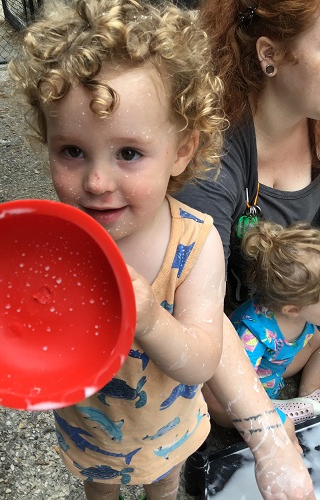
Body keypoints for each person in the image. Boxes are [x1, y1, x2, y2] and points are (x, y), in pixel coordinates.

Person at [9, 1, 315, 498]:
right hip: (90, 430)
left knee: (164, 487)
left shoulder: (195, 244)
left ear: (182, 150)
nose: (97, 180)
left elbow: (200, 360)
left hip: (169, 432)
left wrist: (149, 317)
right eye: (71, 151)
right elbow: (25, 335)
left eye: (129, 153)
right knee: (100, 489)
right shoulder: (54, 242)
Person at [175, 0, 320, 425]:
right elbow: (194, 309)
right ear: (269, 53)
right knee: (216, 402)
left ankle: (311, 402)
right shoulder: (214, 160)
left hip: (309, 306)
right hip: (247, 328)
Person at [231, 221, 320, 424]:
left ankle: (309, 397)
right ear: (293, 310)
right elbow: (239, 389)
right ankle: (276, 411)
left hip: (275, 368)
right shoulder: (253, 334)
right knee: (226, 410)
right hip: (250, 384)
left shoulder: (301, 315)